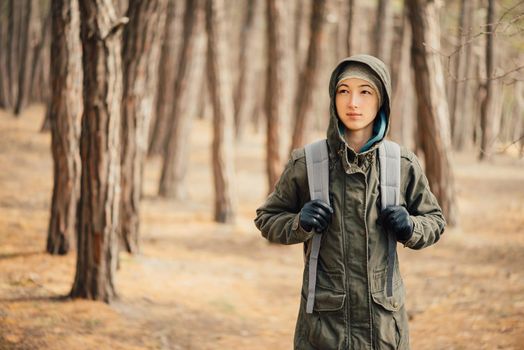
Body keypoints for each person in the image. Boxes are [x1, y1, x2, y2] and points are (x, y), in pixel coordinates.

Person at [254, 54, 446, 350]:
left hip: (383, 330)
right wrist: (297, 222)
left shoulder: (402, 163)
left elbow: (434, 220)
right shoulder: (308, 162)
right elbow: (266, 219)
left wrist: (411, 226)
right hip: (323, 330)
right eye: (344, 91)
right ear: (333, 98)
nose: (353, 102)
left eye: (364, 92)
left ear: (381, 100)